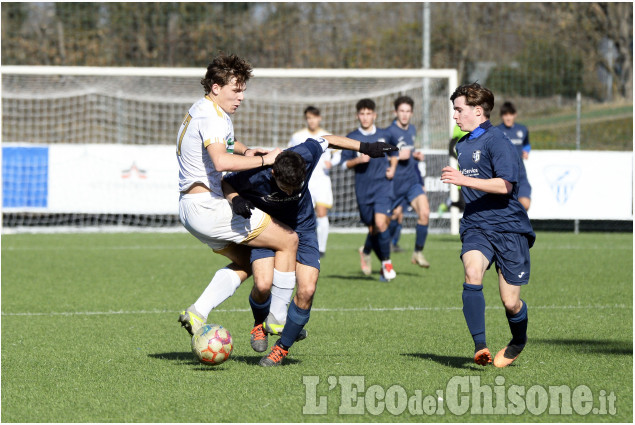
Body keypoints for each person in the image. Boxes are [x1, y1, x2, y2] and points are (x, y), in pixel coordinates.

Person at [222, 135, 397, 366]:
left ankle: (281, 349)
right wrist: (235, 199)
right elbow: (226, 182)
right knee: (262, 285)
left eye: (296, 187)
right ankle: (259, 324)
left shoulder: (303, 155)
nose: (291, 193)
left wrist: (366, 147)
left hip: (303, 228)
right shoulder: (257, 172)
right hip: (268, 228)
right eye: (286, 189)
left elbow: (327, 140)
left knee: (307, 290)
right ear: (274, 174)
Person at [176, 54, 299, 343]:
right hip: (209, 206)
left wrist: (246, 152)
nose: (241, 96)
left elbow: (226, 144)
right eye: (236, 89)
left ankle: (197, 312)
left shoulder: (203, 110)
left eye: (243, 89)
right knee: (289, 240)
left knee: (247, 263)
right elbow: (220, 161)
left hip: (191, 208)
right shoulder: (212, 116)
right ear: (216, 87)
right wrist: (265, 160)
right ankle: (279, 322)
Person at [441, 83, 535, 368]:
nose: (455, 116)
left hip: (508, 228)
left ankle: (518, 340)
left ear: (478, 111)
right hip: (476, 226)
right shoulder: (463, 144)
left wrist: (463, 180)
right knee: (472, 272)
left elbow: (505, 185)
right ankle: (480, 346)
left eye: (459, 110)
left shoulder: (498, 141)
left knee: (511, 303)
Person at [341, 98, 399, 282]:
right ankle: (375, 258)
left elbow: (395, 152)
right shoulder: (352, 137)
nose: (365, 117)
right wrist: (358, 160)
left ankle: (387, 263)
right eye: (362, 114)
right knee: (373, 228)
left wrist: (393, 168)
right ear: (357, 115)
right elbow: (344, 164)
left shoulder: (385, 134)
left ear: (374, 115)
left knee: (381, 224)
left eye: (368, 114)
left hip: (382, 186)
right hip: (363, 189)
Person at [288, 106, 339, 258]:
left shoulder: (327, 136)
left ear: (319, 118)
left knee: (322, 213)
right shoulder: (298, 136)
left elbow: (337, 154)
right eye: (309, 118)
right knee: (303, 214)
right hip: (304, 181)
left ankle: (321, 248)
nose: (312, 121)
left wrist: (332, 163)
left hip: (322, 181)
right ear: (306, 119)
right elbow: (290, 154)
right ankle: (302, 245)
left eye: (314, 117)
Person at [386, 95, 431, 268]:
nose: (404, 115)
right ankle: (367, 249)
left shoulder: (412, 129)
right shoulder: (389, 132)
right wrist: (395, 155)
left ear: (412, 113)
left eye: (408, 111)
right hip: (395, 184)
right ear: (395, 112)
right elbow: (382, 156)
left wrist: (414, 155)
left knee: (425, 213)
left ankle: (418, 253)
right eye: (401, 111)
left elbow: (408, 152)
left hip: (412, 182)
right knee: (386, 222)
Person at [496, 102, 532, 211]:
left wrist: (526, 151)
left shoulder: (522, 130)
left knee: (525, 204)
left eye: (510, 114)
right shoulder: (496, 131)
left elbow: (526, 144)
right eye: (505, 115)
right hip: (503, 174)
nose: (508, 118)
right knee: (502, 207)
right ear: (502, 116)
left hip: (520, 173)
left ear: (515, 115)